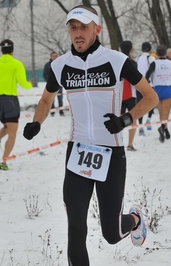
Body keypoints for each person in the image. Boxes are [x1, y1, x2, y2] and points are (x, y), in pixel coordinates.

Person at [22, 5, 158, 266]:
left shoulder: (117, 61)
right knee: (75, 227)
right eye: (73, 28)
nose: (78, 33)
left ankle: (134, 220)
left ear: (97, 29)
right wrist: (36, 123)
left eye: (83, 27)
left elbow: (151, 97)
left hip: (111, 153)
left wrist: (125, 120)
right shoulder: (60, 65)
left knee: (111, 233)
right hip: (78, 153)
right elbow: (46, 100)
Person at [0, 39, 33, 170]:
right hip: (10, 99)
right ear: (12, 50)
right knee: (13, 133)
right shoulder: (16, 64)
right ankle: (3, 162)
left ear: (1, 50)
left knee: (6, 126)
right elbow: (22, 82)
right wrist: (30, 85)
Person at [146, 45, 171, 142]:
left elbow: (147, 74)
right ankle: (163, 127)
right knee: (166, 112)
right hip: (167, 88)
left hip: (157, 89)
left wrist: (148, 82)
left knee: (161, 111)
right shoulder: (170, 63)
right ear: (166, 54)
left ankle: (165, 130)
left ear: (157, 54)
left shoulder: (154, 63)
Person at [120, 40, 138, 151]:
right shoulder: (133, 63)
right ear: (130, 50)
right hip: (130, 94)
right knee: (133, 119)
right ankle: (130, 144)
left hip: (119, 96)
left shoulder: (116, 61)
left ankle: (118, 143)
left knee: (119, 120)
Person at [136, 41, 156, 135]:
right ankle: (148, 119)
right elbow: (152, 68)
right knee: (151, 103)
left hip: (138, 85)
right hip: (149, 84)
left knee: (140, 105)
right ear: (149, 49)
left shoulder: (138, 58)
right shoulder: (151, 57)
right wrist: (147, 78)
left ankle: (140, 126)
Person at [43, 51, 64, 116]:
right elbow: (45, 74)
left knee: (60, 98)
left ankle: (61, 111)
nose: (54, 57)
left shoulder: (60, 64)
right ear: (50, 57)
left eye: (55, 56)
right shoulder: (47, 65)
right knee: (51, 99)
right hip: (51, 85)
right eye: (53, 56)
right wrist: (49, 82)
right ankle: (52, 111)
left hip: (59, 84)